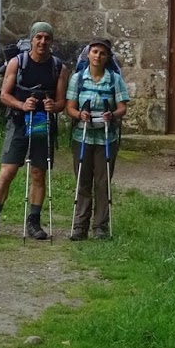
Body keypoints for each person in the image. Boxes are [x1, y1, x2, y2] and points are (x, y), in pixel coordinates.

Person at [0, 21, 69, 239]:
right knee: (7, 171)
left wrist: (53, 106)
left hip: (42, 123)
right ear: (32, 39)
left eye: (47, 38)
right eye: (39, 37)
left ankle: (34, 223)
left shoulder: (58, 68)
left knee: (38, 173)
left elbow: (61, 102)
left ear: (51, 41)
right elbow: (4, 95)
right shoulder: (17, 63)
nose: (43, 42)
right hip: (19, 122)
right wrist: (22, 105)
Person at [65, 37, 129, 241]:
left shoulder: (114, 79)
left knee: (103, 183)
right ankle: (80, 226)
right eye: (95, 52)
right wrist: (79, 115)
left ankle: (100, 227)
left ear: (108, 57)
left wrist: (112, 115)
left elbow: (122, 107)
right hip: (82, 137)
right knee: (82, 181)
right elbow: (70, 107)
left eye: (102, 53)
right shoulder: (78, 79)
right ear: (88, 54)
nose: (98, 56)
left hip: (106, 138)